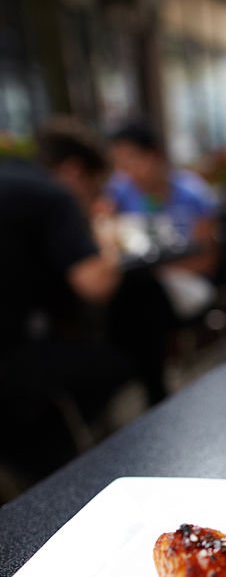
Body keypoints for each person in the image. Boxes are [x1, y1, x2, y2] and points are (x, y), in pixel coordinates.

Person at [0, 117, 131, 485]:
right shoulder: (54, 196)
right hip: (10, 362)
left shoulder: (13, 181)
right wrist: (104, 229)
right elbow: (97, 284)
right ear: (75, 172)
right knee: (112, 364)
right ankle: (62, 479)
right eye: (95, 187)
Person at [107, 120, 220, 319]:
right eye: (120, 165)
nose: (127, 172)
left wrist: (155, 273)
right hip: (141, 285)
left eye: (132, 160)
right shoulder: (118, 194)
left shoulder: (193, 194)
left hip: (185, 283)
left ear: (155, 155)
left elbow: (207, 260)